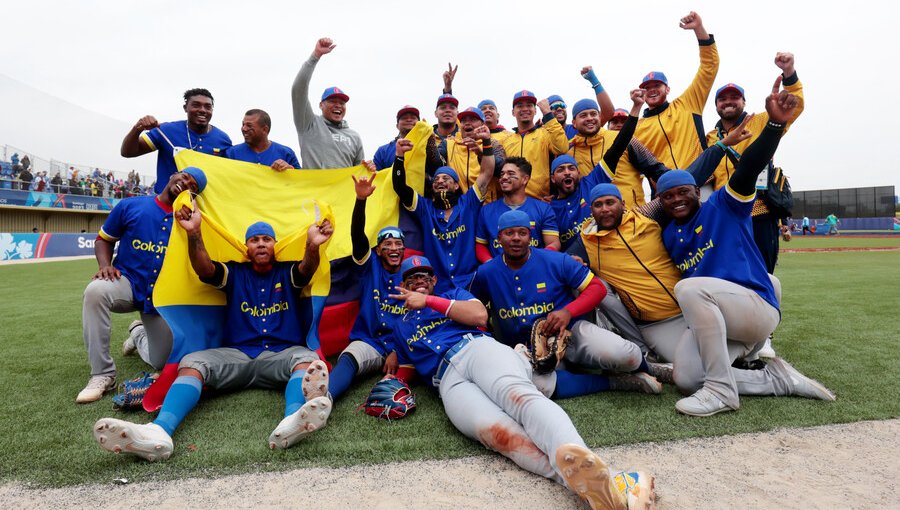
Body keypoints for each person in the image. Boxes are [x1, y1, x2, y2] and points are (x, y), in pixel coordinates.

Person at [388, 255, 656, 509]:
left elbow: (479, 316)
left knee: (519, 397)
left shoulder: (451, 295)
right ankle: (601, 487)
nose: (419, 281)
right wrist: (392, 381)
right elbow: (409, 366)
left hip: (475, 349)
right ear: (402, 286)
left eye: (424, 276)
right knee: (497, 434)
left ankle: (616, 477)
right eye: (411, 279)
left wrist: (430, 302)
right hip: (446, 381)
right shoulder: (399, 324)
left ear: (434, 280)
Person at [655, 77, 835, 416]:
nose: (677, 200)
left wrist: (775, 126)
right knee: (687, 377)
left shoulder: (722, 205)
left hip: (754, 311)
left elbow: (750, 166)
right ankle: (775, 380)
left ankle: (722, 392)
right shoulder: (667, 233)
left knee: (689, 288)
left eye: (684, 192)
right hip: (726, 318)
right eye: (668, 196)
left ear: (699, 191)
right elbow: (672, 189)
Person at [93, 211, 335, 461]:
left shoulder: (287, 271)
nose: (261, 243)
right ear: (246, 247)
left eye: (266, 239)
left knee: (307, 360)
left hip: (281, 355)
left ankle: (293, 420)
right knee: (192, 362)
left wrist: (312, 245)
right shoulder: (236, 272)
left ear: (275, 245)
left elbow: (307, 270)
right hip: (237, 355)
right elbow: (204, 269)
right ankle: (159, 431)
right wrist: (194, 232)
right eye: (254, 240)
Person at [471, 211, 662, 399]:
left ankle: (648, 367)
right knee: (539, 387)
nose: (516, 238)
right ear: (499, 238)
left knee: (624, 353)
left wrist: (568, 312)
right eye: (509, 233)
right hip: (529, 350)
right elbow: (475, 312)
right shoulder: (486, 272)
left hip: (572, 333)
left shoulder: (555, 260)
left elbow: (597, 288)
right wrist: (486, 339)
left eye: (522, 232)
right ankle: (614, 382)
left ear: (530, 236)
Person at [76, 167, 207, 404]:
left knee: (160, 361)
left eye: (193, 187)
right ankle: (102, 374)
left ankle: (137, 334)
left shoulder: (191, 222)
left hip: (161, 299)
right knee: (95, 291)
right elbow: (104, 239)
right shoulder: (131, 205)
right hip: (126, 282)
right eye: (184, 176)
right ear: (172, 175)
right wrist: (104, 264)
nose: (186, 183)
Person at [326, 170, 408, 400]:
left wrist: (397, 351)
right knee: (349, 356)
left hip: (404, 343)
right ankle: (323, 399)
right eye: (387, 244)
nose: (393, 248)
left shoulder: (413, 270)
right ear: (378, 250)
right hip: (370, 341)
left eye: (398, 244)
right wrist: (361, 200)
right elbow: (358, 235)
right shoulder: (369, 265)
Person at [392, 128, 494, 291]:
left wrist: (487, 142)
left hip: (470, 282)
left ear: (455, 185)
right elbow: (400, 187)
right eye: (436, 179)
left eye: (446, 178)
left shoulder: (468, 203)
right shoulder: (425, 208)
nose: (440, 181)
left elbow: (487, 172)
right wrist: (399, 156)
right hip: (437, 286)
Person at [552, 89, 649, 250]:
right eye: (561, 170)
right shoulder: (548, 208)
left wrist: (636, 108)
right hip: (587, 249)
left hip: (631, 220)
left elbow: (620, 144)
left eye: (571, 168)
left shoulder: (591, 180)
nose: (567, 172)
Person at [633, 11, 719, 170]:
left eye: (657, 86)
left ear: (667, 89)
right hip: (666, 189)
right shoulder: (636, 128)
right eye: (647, 88)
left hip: (701, 183)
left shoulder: (687, 103)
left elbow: (709, 67)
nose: (652, 90)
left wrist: (699, 29)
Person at [121, 89, 232, 194]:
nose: (202, 110)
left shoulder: (223, 139)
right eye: (196, 105)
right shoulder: (166, 130)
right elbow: (128, 152)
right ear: (185, 108)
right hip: (166, 205)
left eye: (208, 107)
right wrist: (137, 129)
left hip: (202, 207)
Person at [291, 37, 364, 169]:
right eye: (332, 101)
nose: (338, 105)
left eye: (342, 103)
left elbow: (359, 174)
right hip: (315, 189)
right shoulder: (308, 124)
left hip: (343, 190)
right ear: (321, 105)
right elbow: (298, 90)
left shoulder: (354, 137)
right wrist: (315, 56)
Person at [476, 157, 560, 261]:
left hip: (534, 272)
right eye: (502, 174)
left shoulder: (543, 209)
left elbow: (553, 243)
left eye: (510, 174)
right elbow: (480, 245)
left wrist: (538, 263)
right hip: (499, 274)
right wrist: (492, 266)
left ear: (525, 179)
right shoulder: (486, 211)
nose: (504, 177)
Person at [500, 91, 568, 199]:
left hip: (540, 201)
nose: (525, 109)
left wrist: (547, 113)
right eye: (520, 106)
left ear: (535, 110)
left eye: (529, 105)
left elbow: (562, 148)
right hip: (511, 202)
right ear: (513, 112)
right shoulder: (506, 140)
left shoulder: (545, 133)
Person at [438, 106, 506, 199]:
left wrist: (482, 154)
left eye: (473, 119)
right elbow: (435, 164)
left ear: (482, 124)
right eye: (463, 120)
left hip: (485, 205)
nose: (467, 123)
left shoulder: (493, 143)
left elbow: (501, 170)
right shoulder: (447, 143)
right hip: (458, 206)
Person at [224, 109, 300, 170]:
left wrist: (289, 169)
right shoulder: (232, 153)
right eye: (243, 124)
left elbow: (301, 182)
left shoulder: (286, 153)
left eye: (249, 125)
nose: (244, 129)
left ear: (264, 129)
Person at [373, 105, 421, 171]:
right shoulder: (382, 151)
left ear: (420, 124)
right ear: (397, 126)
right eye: (404, 118)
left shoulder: (429, 146)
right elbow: (376, 177)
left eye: (413, 118)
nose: (409, 120)